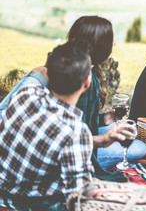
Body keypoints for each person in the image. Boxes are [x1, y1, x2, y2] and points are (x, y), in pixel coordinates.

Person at [0, 16, 146, 170]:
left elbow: (80, 124)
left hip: (63, 136)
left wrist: (106, 118)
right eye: (110, 40)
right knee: (139, 147)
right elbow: (67, 136)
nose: (114, 43)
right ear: (99, 45)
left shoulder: (65, 67)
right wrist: (103, 140)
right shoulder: (81, 82)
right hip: (67, 146)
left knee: (124, 135)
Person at [0, 41, 94, 210]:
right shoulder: (75, 131)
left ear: (48, 74)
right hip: (29, 204)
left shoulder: (25, 93)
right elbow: (78, 196)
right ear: (87, 81)